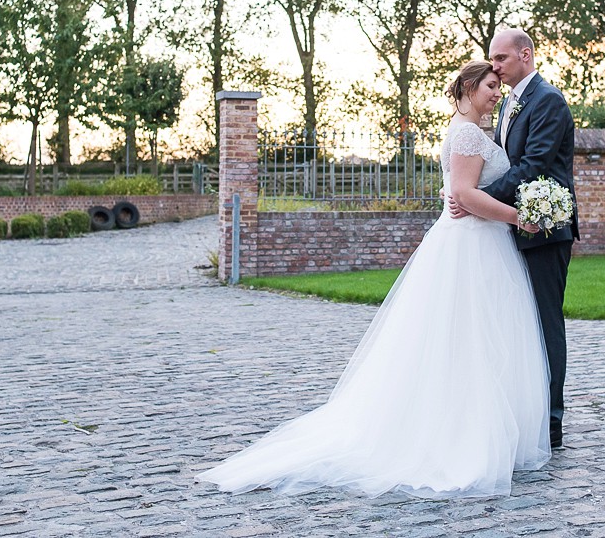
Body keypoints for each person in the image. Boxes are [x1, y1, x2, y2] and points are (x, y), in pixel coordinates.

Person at [196, 61, 551, 499]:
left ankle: (482, 429)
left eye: (499, 87)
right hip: (471, 247)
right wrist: (522, 218)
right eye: (491, 86)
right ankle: (460, 437)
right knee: (467, 341)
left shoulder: (472, 131)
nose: (497, 94)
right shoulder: (466, 133)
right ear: (469, 87)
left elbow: (462, 190)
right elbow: (463, 195)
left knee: (477, 340)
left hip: (483, 244)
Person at [451, 28, 577, 449]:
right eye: (492, 60)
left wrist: (476, 200)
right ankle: (522, 415)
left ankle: (551, 422)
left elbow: (533, 166)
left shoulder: (549, 101)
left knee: (544, 324)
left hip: (543, 231)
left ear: (526, 54)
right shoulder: (507, 103)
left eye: (502, 59)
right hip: (511, 229)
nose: (496, 67)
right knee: (516, 327)